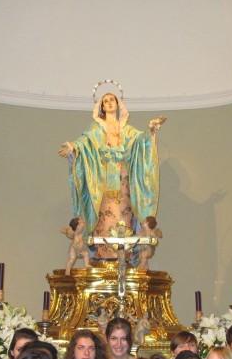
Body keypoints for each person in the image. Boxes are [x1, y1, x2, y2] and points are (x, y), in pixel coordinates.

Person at [59, 91, 164, 260]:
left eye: (112, 100)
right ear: (101, 106)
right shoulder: (96, 128)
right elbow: (85, 143)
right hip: (103, 183)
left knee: (123, 217)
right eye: (105, 101)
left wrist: (150, 130)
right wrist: (74, 147)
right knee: (105, 218)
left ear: (118, 104)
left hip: (123, 185)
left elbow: (140, 142)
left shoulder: (126, 129)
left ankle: (124, 258)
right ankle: (103, 257)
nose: (109, 103)